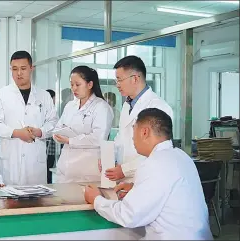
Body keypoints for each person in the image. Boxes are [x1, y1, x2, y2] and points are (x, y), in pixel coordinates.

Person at [85, 108, 212, 240]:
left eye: (134, 130)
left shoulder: (155, 163)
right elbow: (168, 192)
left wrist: (96, 200)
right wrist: (136, 188)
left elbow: (129, 215)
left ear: (144, 132)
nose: (133, 138)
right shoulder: (181, 156)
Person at [0, 50, 58, 185]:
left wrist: (40, 131)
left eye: (23, 68)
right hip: (10, 162)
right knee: (9, 202)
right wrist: (17, 133)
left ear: (32, 68)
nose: (19, 73)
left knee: (35, 202)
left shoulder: (44, 96)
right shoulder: (1, 95)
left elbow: (53, 122)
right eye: (15, 69)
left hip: (35, 162)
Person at [103, 55, 173, 183]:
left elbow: (158, 152)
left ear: (135, 78)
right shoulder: (127, 104)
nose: (117, 84)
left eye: (119, 80)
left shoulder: (158, 107)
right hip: (123, 178)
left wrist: (125, 170)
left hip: (145, 177)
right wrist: (109, 158)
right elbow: (121, 136)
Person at [54, 66, 113, 183]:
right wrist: (57, 136)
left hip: (87, 171)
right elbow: (58, 127)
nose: (74, 88)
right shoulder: (70, 106)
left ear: (90, 84)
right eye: (71, 85)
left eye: (77, 84)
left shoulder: (101, 107)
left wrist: (70, 140)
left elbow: (98, 138)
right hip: (65, 168)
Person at [45, 89, 56, 184]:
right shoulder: (45, 111)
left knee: (49, 170)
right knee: (47, 171)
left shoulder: (53, 111)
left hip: (52, 148)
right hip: (47, 149)